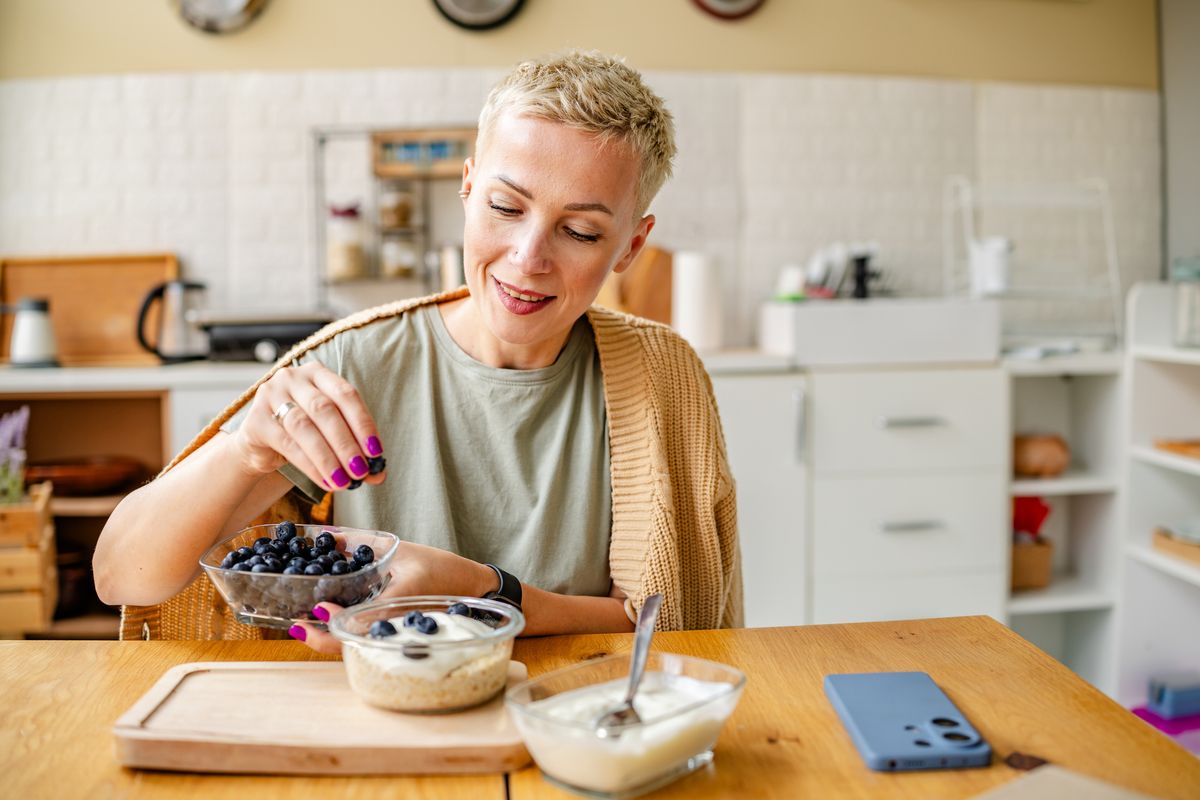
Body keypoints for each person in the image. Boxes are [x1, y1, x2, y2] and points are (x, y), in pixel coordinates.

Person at [95, 50, 741, 649]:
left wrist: (482, 593)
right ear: (466, 189)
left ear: (630, 245)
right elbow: (123, 576)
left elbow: (672, 629)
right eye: (504, 207)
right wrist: (246, 450)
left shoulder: (662, 378)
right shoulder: (353, 365)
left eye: (579, 230)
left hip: (581, 722)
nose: (528, 257)